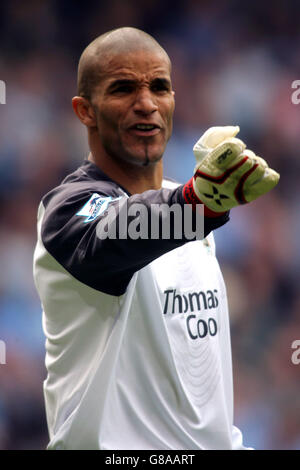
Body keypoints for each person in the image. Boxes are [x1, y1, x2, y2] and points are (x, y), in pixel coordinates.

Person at [33, 27, 279, 450]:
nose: (145, 104)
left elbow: (199, 388)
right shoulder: (69, 209)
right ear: (84, 111)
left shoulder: (194, 215)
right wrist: (196, 203)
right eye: (123, 89)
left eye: (159, 87)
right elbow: (111, 234)